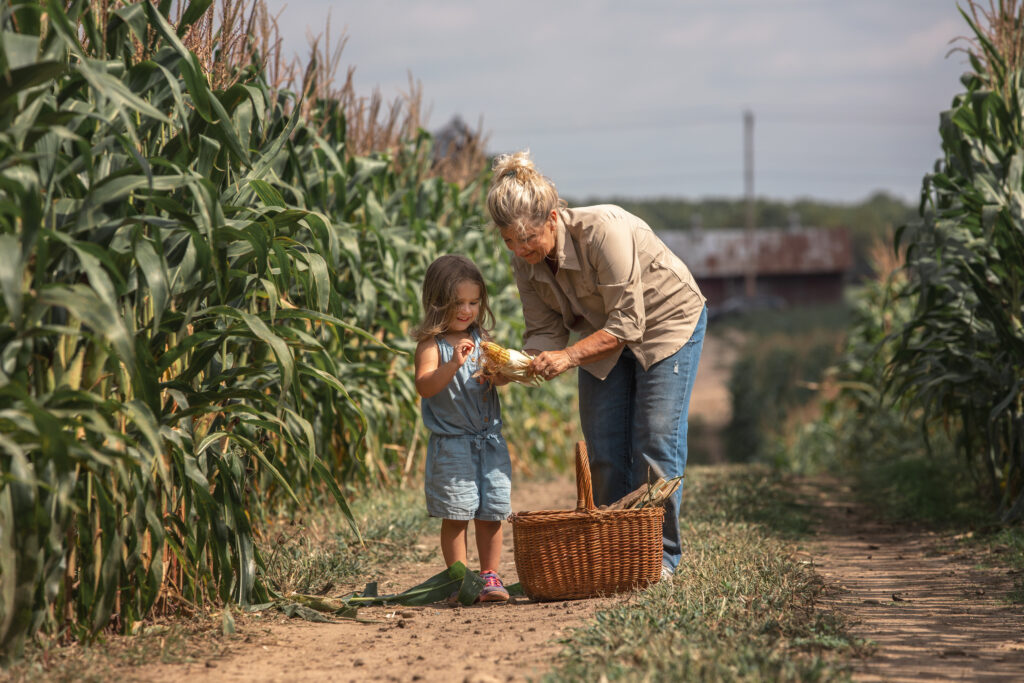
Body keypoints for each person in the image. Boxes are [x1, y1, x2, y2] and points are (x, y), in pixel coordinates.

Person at [485, 150, 707, 580]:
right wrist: (511, 368)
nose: (520, 249)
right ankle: (618, 552)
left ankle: (660, 558)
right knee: (604, 448)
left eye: (528, 238)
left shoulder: (604, 230)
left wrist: (568, 357)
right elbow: (545, 332)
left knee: (654, 440)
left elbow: (628, 321)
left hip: (665, 323)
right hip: (601, 333)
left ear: (553, 218)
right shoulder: (524, 262)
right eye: (509, 241)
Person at [412, 254, 512, 602]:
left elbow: (495, 380)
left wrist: (501, 375)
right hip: (453, 445)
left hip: (490, 442)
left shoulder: (482, 340)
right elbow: (425, 386)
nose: (467, 310)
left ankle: (489, 576)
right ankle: (459, 579)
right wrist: (453, 364)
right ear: (438, 302)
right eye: (458, 303)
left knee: (491, 513)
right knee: (456, 515)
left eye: (474, 302)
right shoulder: (432, 345)